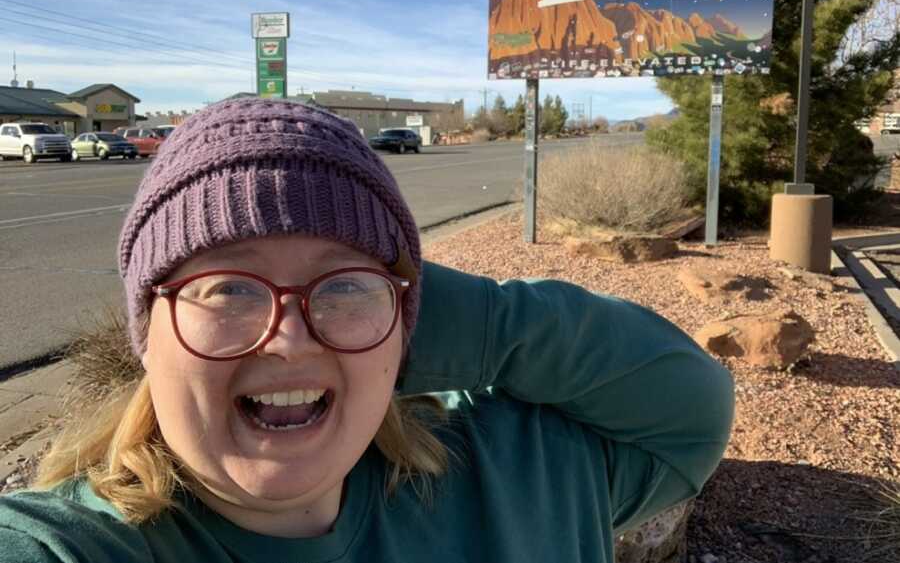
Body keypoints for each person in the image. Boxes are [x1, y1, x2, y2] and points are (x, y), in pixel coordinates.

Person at [0, 98, 734, 562]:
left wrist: (383, 317)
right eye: (227, 287)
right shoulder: (68, 546)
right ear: (147, 331)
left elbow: (690, 408)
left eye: (346, 282)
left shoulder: (521, 470)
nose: (287, 339)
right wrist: (354, 311)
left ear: (413, 319)